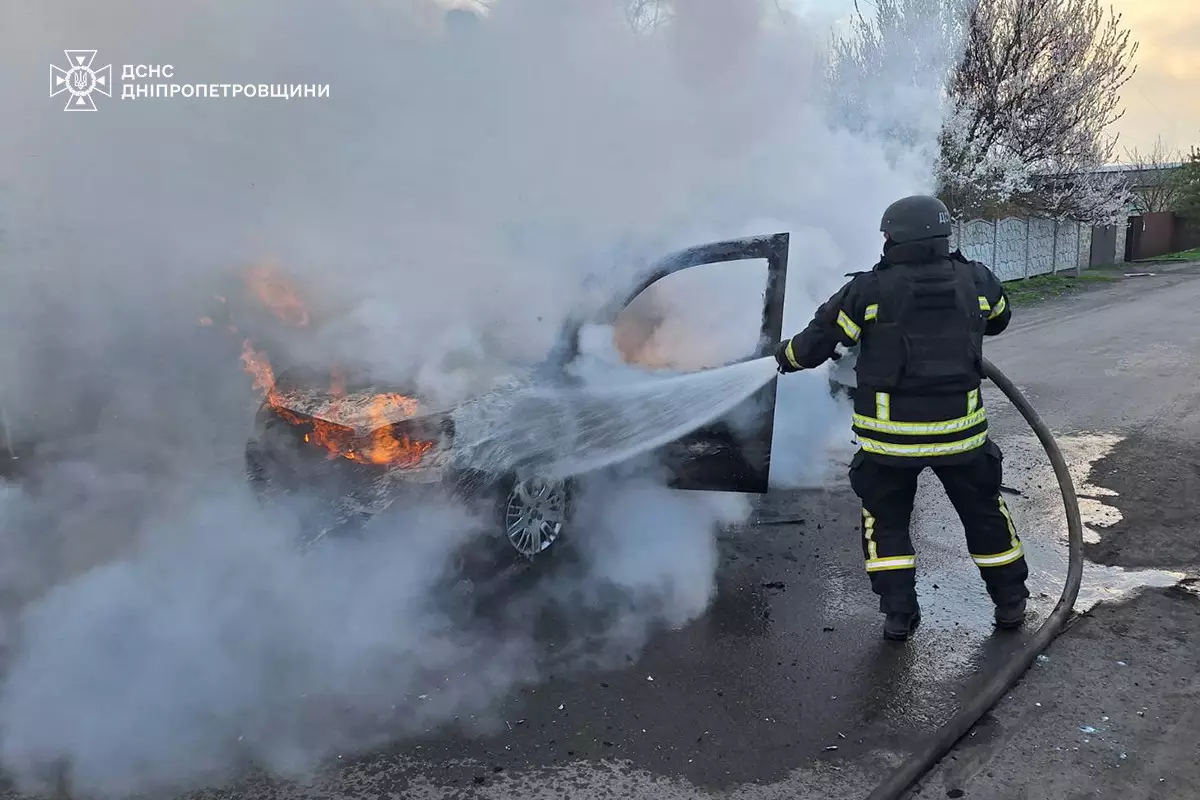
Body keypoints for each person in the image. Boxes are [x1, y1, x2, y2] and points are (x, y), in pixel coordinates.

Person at [774, 194, 1029, 641]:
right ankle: (1010, 604)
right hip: (961, 437)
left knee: (886, 523)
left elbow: (816, 342)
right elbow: (1000, 320)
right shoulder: (977, 280)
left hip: (889, 443)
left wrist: (783, 358)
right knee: (985, 516)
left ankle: (898, 615)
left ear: (894, 236)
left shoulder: (868, 289)